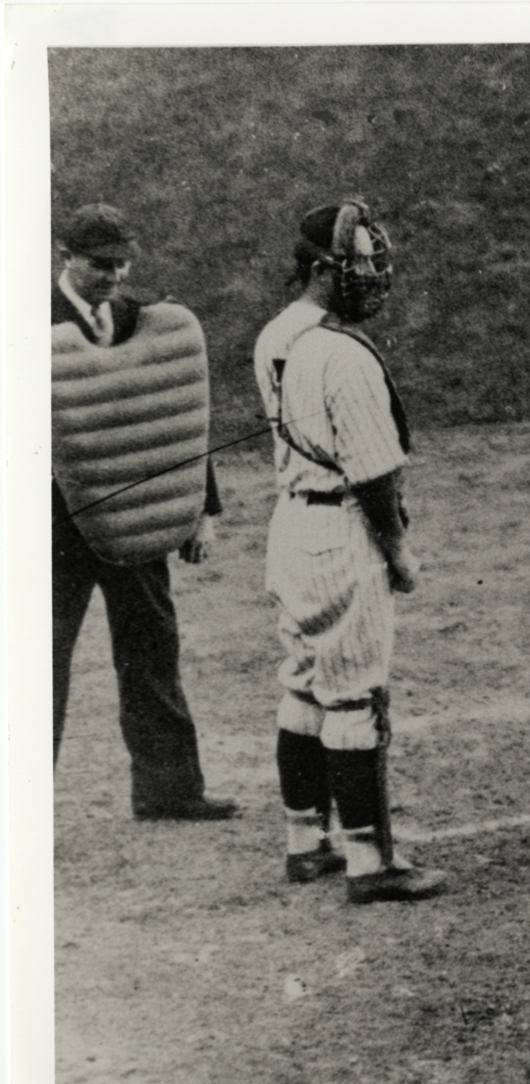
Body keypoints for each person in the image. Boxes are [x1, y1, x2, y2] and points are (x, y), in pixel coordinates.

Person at [253, 198, 446, 903]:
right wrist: (397, 550)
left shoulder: (276, 336)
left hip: (291, 527)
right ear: (324, 271)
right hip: (340, 534)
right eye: (360, 264)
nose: (373, 276)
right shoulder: (344, 356)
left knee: (303, 680)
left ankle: (306, 841)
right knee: (356, 696)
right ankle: (372, 864)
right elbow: (372, 472)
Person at [51, 202, 238, 821]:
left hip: (132, 512)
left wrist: (197, 509)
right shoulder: (26, 324)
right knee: (40, 662)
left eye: (123, 263)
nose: (114, 276)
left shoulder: (141, 322)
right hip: (50, 530)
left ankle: (170, 789)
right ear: (64, 256)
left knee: (152, 648)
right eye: (100, 264)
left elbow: (172, 417)